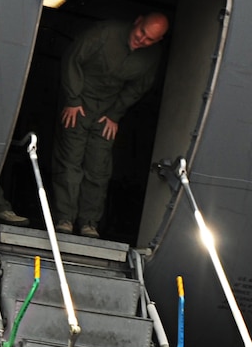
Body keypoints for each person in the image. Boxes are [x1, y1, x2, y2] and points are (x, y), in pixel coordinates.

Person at [52, 12, 169, 239]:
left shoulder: (152, 55)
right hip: (79, 102)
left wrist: (115, 114)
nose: (141, 40)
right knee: (70, 161)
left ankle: (89, 222)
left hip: (107, 111)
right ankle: (64, 218)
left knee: (99, 168)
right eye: (141, 33)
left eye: (149, 40)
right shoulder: (105, 32)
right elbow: (72, 59)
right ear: (137, 21)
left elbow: (138, 87)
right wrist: (73, 99)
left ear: (157, 41)